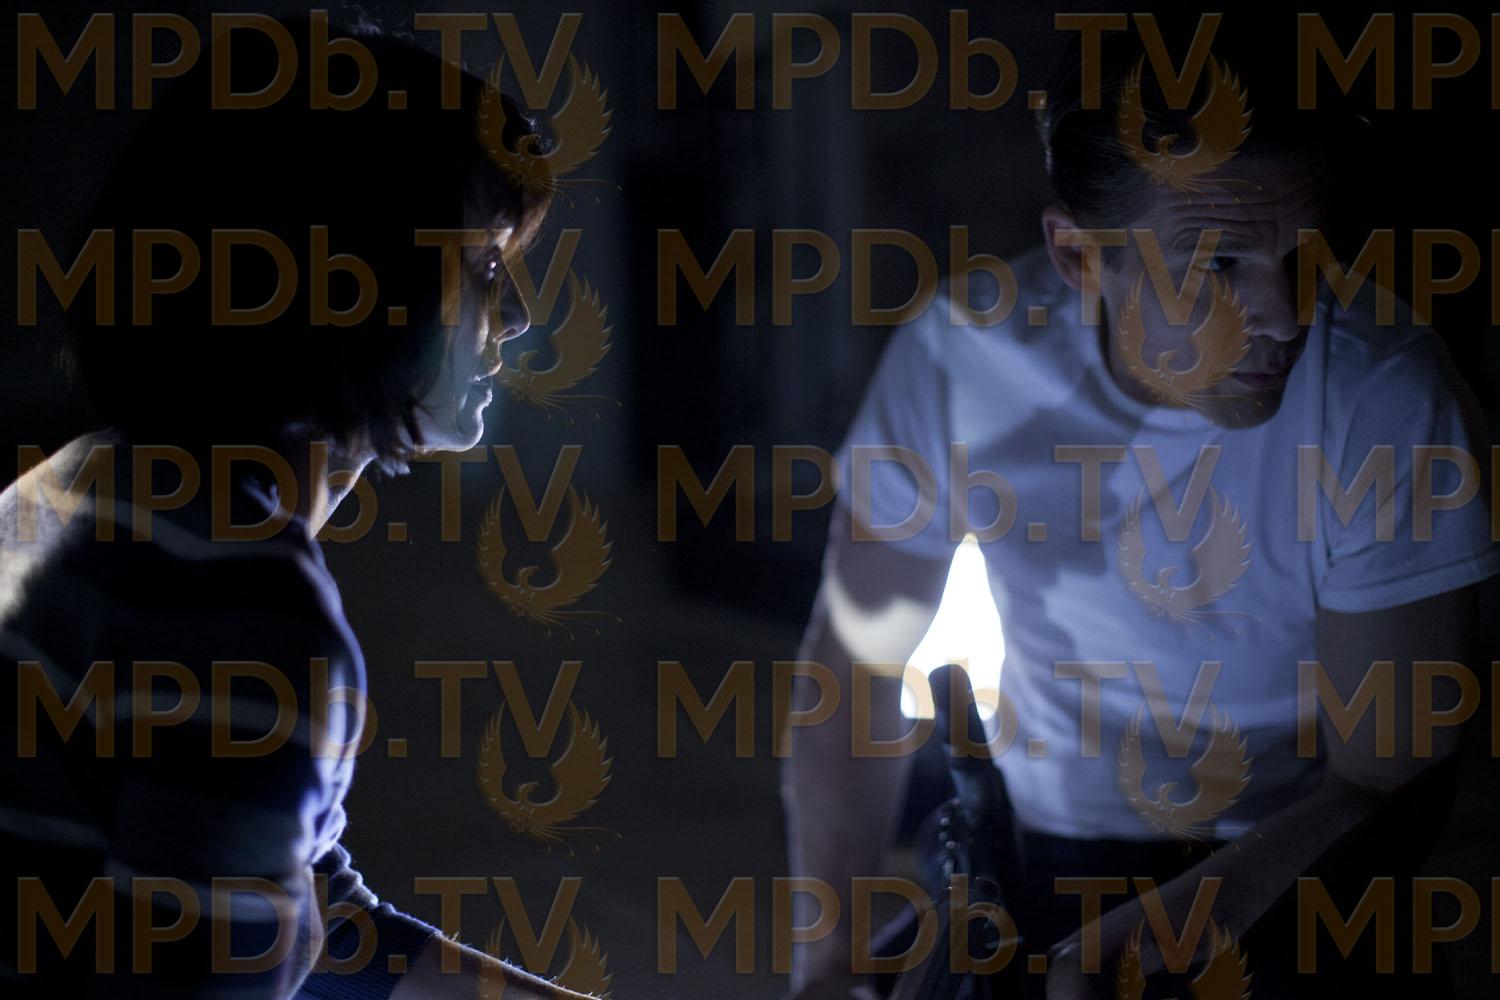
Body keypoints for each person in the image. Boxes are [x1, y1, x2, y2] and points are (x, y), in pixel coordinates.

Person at [783, 19, 1498, 1000]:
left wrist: (1150, 942)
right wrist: (827, 964)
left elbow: (1383, 778)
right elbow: (856, 667)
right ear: (1080, 258)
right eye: (1219, 265)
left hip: (1300, 862)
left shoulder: (1383, 399)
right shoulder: (962, 362)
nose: (1285, 312)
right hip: (1045, 850)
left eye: (1303, 253)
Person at [2, 15, 592, 999]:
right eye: (485, 266)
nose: (519, 315)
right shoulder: (245, 615)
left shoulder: (80, 489)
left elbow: (319, 920)